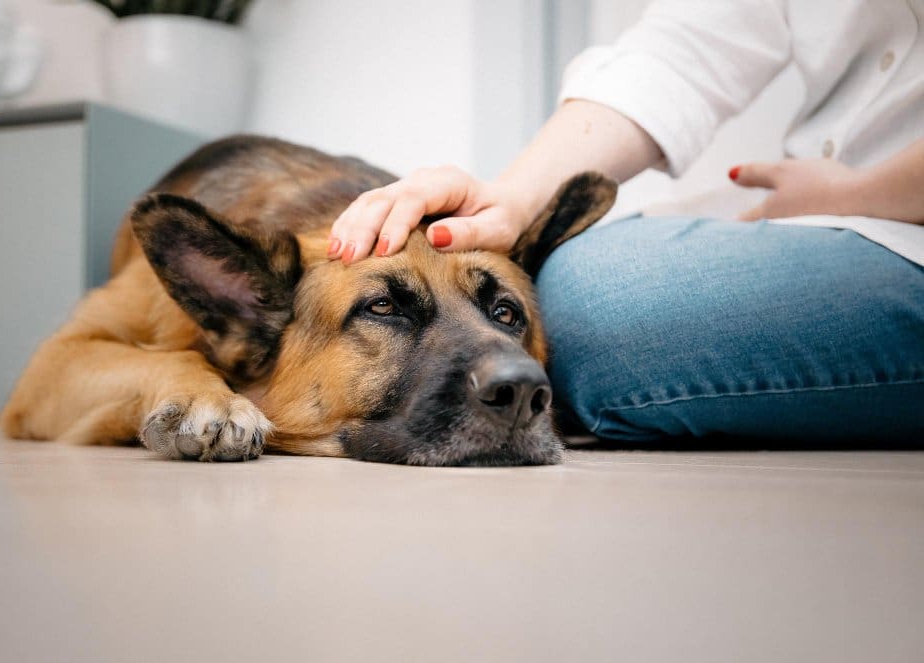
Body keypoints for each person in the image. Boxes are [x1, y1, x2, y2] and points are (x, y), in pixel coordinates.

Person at [327, 0, 924, 444]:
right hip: (828, 207)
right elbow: (684, 56)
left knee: (597, 311)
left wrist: (861, 192)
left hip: (891, 223)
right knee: (574, 273)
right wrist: (509, 197)